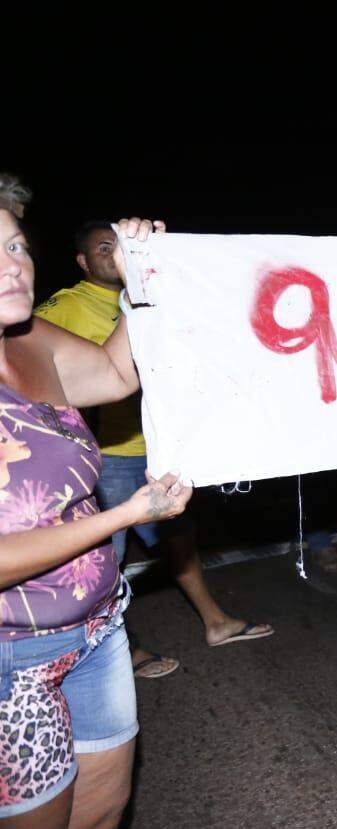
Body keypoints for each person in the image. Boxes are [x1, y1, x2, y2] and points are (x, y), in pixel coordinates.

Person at [0, 179, 192, 829]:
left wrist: (140, 273)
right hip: (10, 662)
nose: (14, 265)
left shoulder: (30, 338)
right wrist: (123, 517)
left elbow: (115, 374)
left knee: (99, 826)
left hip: (97, 632)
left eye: (17, 245)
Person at [36, 221, 273, 676]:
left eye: (120, 247)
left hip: (163, 444)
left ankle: (215, 621)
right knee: (108, 556)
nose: (114, 255)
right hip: (114, 451)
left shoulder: (157, 294)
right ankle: (119, 650)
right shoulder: (61, 310)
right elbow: (50, 382)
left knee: (179, 535)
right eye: (104, 248)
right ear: (83, 262)